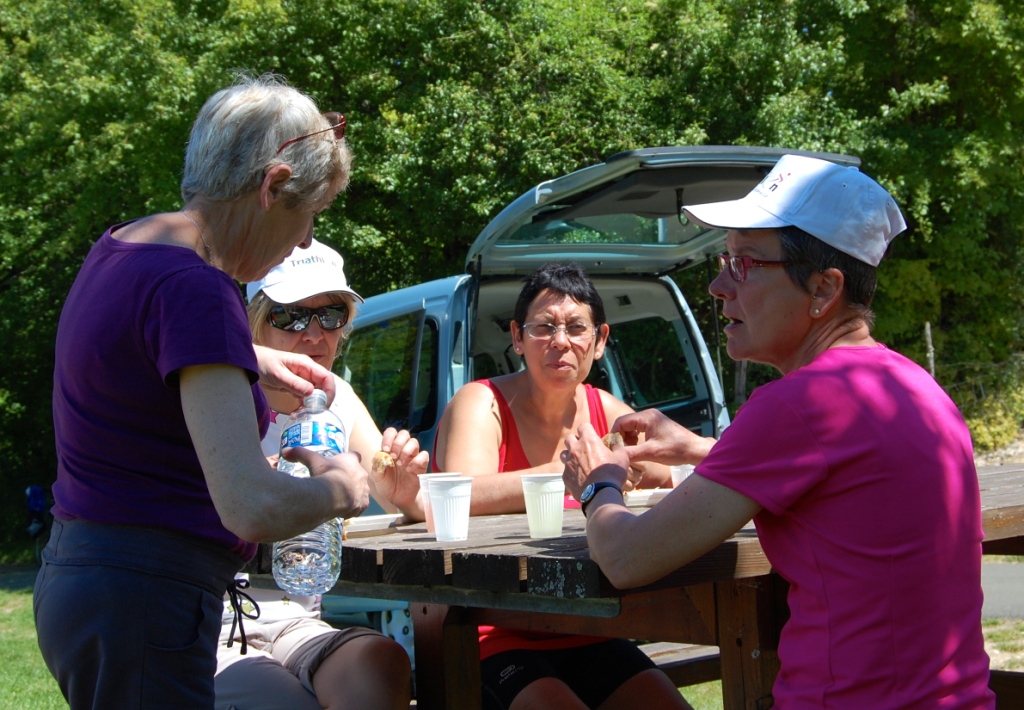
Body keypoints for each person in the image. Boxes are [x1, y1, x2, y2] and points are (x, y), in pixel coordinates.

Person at [562, 154, 996, 708]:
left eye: (744, 263)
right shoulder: (912, 387)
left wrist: (599, 483)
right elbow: (841, 481)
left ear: (823, 290)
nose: (718, 285)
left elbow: (626, 559)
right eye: (725, 259)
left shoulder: (799, 405)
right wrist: (700, 449)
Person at [37, 73, 372, 710]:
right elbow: (250, 506)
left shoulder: (126, 247)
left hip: (88, 578)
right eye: (309, 215)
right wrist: (344, 489)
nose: (305, 240)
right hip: (146, 596)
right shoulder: (198, 286)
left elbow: (130, 356)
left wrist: (248, 355)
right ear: (272, 186)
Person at [433, 263, 686, 710]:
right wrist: (571, 471)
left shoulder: (606, 409)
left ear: (600, 340)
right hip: (489, 628)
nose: (560, 341)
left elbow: (668, 473)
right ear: (517, 337)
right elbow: (462, 494)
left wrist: (627, 470)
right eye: (544, 327)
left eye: (576, 327)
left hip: (587, 626)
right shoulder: (481, 401)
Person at [213, 239, 425, 710]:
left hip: (296, 620)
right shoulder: (220, 389)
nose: (314, 334)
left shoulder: (337, 398)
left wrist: (404, 492)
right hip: (214, 619)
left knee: (381, 665)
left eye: (330, 315)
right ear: (254, 324)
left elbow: (407, 500)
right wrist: (253, 482)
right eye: (291, 316)